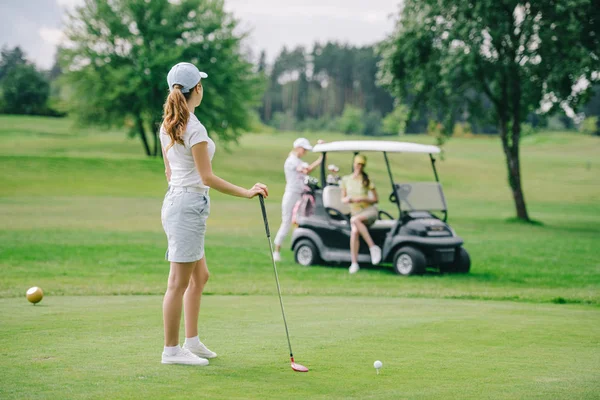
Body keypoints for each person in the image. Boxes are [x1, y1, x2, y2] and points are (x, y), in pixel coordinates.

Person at [160, 62, 268, 366]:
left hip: (182, 204)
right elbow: (207, 177)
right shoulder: (194, 128)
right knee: (177, 283)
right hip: (187, 207)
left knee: (200, 276)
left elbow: (169, 170)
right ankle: (171, 350)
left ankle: (191, 342)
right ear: (198, 90)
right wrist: (247, 191)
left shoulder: (169, 123)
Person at [272, 138, 323, 261]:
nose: (305, 152)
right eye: (304, 149)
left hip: (301, 196)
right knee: (286, 222)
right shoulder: (291, 161)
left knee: (301, 221)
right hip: (291, 195)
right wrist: (321, 157)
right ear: (298, 148)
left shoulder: (298, 161)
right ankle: (276, 251)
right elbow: (307, 170)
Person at [340, 154, 382, 274]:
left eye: (362, 165)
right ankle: (354, 263)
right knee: (354, 231)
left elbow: (375, 199)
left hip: (368, 211)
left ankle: (373, 247)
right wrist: (348, 200)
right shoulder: (346, 180)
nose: (359, 167)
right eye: (358, 164)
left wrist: (363, 199)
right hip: (355, 212)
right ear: (354, 164)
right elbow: (342, 199)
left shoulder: (366, 180)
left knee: (355, 221)